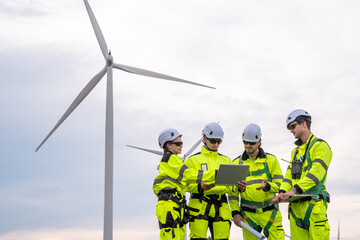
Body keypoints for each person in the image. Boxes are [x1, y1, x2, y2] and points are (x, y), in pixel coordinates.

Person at [272, 109, 332, 240]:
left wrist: (294, 190)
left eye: (292, 126)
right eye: (289, 128)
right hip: (295, 210)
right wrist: (282, 192)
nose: (291, 130)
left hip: (313, 206)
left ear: (304, 123)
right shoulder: (295, 152)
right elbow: (288, 176)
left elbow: (316, 174)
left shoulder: (320, 146)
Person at [153, 128, 216, 240]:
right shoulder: (170, 159)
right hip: (170, 204)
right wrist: (215, 174)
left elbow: (184, 183)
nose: (181, 145)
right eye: (178, 143)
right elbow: (188, 174)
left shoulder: (174, 160)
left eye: (181, 143)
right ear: (168, 145)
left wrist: (200, 187)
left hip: (176, 204)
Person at [229, 123, 285, 239]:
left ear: (259, 141)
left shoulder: (271, 160)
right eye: (245, 142)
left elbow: (280, 185)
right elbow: (232, 193)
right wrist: (235, 213)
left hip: (270, 213)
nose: (248, 145)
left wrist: (267, 186)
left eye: (252, 143)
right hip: (248, 216)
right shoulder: (236, 163)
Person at [184, 122, 233, 240]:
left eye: (219, 141)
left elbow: (232, 187)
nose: (216, 144)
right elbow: (185, 184)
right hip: (199, 205)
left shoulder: (227, 160)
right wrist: (200, 187)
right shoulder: (192, 161)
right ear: (204, 139)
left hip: (221, 207)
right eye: (213, 141)